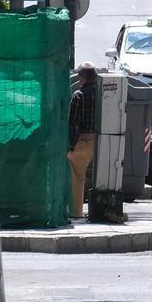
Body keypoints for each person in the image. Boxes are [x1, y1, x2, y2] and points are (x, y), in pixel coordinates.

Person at [68, 64, 98, 219]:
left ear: (82, 78)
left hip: (80, 141)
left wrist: (70, 145)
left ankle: (75, 212)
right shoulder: (100, 94)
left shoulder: (78, 96)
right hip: (95, 140)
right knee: (81, 176)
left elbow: (73, 123)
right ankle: (76, 211)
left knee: (75, 177)